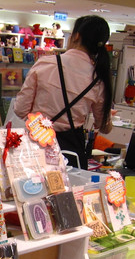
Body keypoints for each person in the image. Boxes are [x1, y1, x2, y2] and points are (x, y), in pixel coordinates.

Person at [14, 15, 113, 169]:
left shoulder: (46, 64)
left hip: (37, 146)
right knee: (72, 184)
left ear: (76, 36)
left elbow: (20, 110)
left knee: (33, 184)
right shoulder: (98, 78)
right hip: (71, 151)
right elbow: (104, 126)